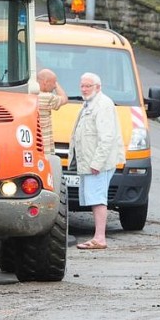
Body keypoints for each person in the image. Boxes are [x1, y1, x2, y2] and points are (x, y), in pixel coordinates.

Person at [68, 72, 124, 250]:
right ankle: (98, 237)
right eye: (82, 85)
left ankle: (100, 238)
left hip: (98, 163)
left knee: (98, 198)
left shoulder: (103, 104)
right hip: (90, 161)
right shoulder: (89, 103)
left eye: (88, 86)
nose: (84, 89)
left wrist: (97, 162)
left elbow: (107, 137)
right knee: (94, 197)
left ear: (97, 87)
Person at [36, 68, 68, 154]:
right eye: (53, 82)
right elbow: (64, 99)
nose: (54, 86)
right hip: (44, 148)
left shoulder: (31, 95)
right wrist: (57, 85)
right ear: (45, 82)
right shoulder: (47, 98)